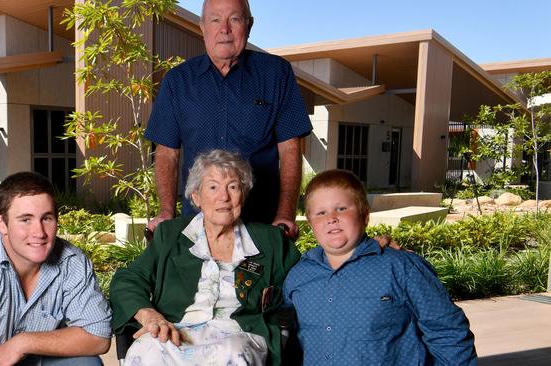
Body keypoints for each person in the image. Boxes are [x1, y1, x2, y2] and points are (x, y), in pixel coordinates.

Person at [110, 149, 300, 366]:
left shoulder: (270, 240)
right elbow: (127, 280)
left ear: (243, 195)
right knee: (147, 350)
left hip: (238, 336)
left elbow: (305, 282)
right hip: (175, 331)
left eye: (233, 186)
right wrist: (149, 315)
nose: (224, 196)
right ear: (196, 197)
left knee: (232, 354)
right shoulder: (170, 236)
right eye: (213, 187)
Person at [145, 0, 312, 237]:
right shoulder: (177, 81)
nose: (224, 29)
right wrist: (165, 211)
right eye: (215, 20)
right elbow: (167, 153)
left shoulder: (277, 74)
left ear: (249, 25)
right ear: (202, 27)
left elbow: (290, 150)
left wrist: (285, 214)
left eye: (234, 19)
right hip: (197, 225)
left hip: (262, 224)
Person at [283, 169, 477, 365]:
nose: (331, 218)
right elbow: (289, 342)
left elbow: (448, 331)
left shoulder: (402, 268)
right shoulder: (298, 276)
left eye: (341, 208)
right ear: (310, 223)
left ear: (365, 215)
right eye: (320, 212)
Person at [0, 172, 112, 366]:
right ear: (1, 223)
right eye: (25, 220)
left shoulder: (72, 262)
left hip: (43, 361)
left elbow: (98, 336)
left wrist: (23, 342)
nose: (39, 233)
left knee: (86, 364)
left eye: (47, 218)